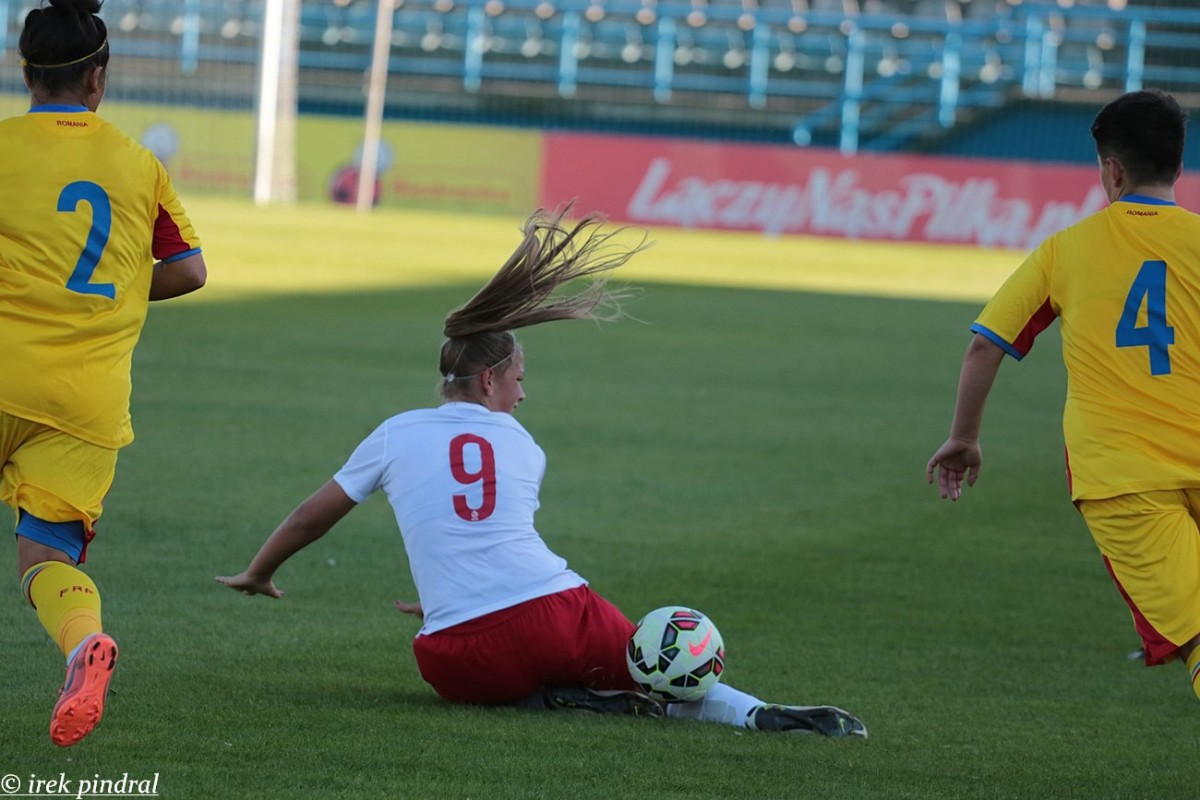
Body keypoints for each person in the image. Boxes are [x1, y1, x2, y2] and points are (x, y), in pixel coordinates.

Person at [218, 206, 866, 738]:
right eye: (519, 380)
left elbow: (311, 518)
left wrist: (259, 572)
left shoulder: (395, 432)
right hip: (555, 617)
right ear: (493, 377)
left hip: (457, 658)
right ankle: (754, 713)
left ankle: (552, 701)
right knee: (651, 667)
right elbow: (499, 537)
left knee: (451, 664)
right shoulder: (524, 445)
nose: (522, 396)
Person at [926, 89, 1200, 699]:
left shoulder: (1065, 249)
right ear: (1179, 166)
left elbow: (986, 344)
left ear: (1113, 170)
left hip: (1123, 480)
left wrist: (964, 438)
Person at [1, 0, 207, 747]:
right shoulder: (137, 163)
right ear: (99, 78)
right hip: (84, 400)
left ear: (24, 72)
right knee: (46, 555)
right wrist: (120, 283)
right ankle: (81, 642)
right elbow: (189, 270)